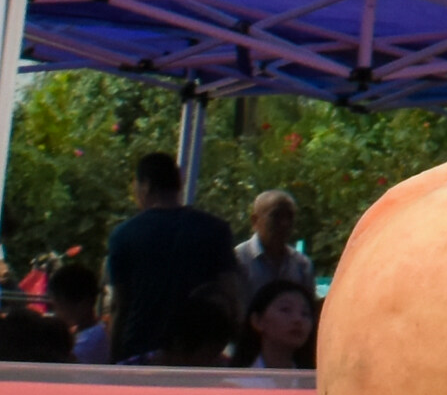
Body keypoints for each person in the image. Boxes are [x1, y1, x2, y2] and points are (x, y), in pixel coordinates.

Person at [103, 154, 242, 364]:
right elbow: (230, 292)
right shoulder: (214, 229)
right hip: (199, 352)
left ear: (146, 185)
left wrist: (114, 359)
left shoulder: (124, 235)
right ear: (179, 183)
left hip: (141, 347)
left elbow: (120, 304)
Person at [235, 190, 313, 295]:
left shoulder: (301, 265)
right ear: (255, 221)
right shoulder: (239, 260)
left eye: (290, 217)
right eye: (276, 216)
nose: (284, 223)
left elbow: (308, 308)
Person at [234, 278, 318, 371]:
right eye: (285, 309)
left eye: (305, 313)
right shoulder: (236, 383)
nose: (298, 319)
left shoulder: (315, 381)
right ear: (257, 321)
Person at [41, 263, 103, 364]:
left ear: (82, 304)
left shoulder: (85, 344)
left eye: (58, 304)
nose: (56, 312)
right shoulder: (94, 332)